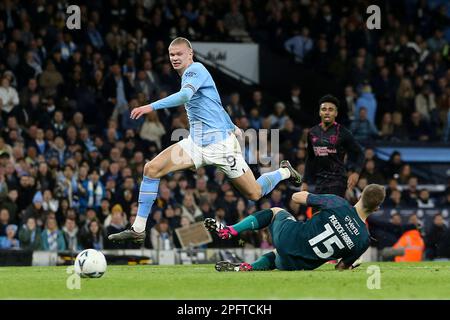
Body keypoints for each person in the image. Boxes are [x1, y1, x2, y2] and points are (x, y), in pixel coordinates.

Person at [109, 37, 302, 243]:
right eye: (171, 55)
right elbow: (216, 105)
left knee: (254, 193)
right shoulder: (190, 75)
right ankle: (138, 229)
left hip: (221, 147)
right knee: (151, 169)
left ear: (190, 54)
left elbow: (184, 96)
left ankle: (284, 171)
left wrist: (150, 107)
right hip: (195, 144)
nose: (174, 58)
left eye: (179, 54)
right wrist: (233, 126)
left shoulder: (196, 70)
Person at [205, 184, 386, 271]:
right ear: (377, 208)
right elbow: (340, 268)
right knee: (278, 256)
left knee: (276, 211)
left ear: (361, 195)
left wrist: (310, 195)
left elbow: (296, 197)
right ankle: (249, 268)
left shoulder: (337, 203)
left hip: (289, 237)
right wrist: (349, 268)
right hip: (299, 265)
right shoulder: (363, 240)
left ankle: (231, 230)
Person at [302, 95, 364, 198]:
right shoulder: (312, 133)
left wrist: (356, 173)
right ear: (319, 112)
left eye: (330, 110)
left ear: (336, 113)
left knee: (332, 213)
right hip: (319, 183)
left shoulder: (343, 132)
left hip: (338, 182)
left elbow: (360, 153)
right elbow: (310, 158)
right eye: (324, 109)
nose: (327, 112)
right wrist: (305, 181)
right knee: (318, 214)